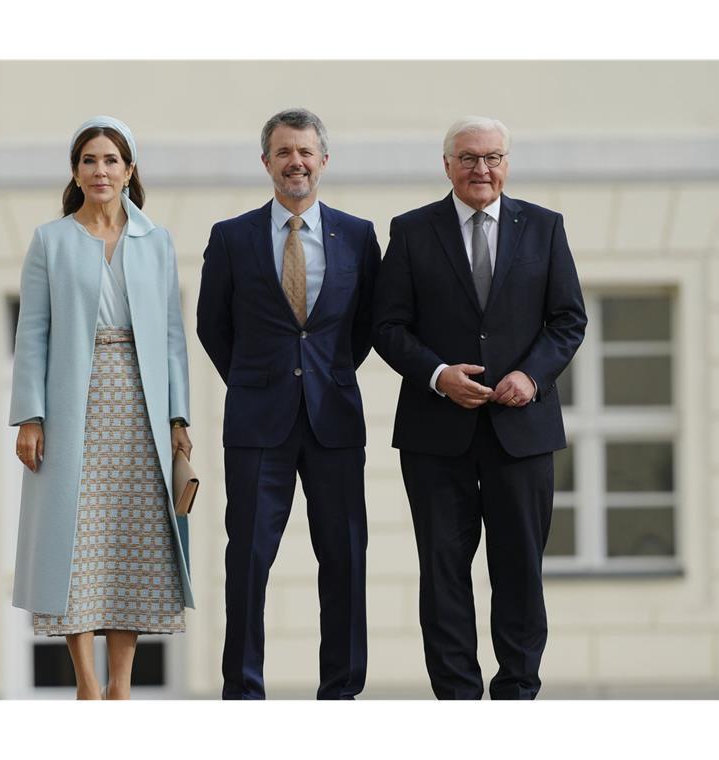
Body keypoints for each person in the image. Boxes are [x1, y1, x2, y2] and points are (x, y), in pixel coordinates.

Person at [373, 116, 587, 699]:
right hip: (436, 436)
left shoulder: (544, 228)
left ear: (507, 164)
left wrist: (532, 375)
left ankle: (517, 693)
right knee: (443, 576)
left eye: (492, 157)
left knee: (520, 571)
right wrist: (439, 375)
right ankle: (458, 701)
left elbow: (569, 319)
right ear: (447, 165)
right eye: (468, 158)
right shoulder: (413, 231)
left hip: (523, 431)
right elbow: (387, 326)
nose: (481, 169)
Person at [197, 108, 379, 699]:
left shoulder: (357, 235)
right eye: (283, 152)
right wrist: (254, 381)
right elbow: (211, 325)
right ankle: (244, 694)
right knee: (247, 562)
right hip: (257, 426)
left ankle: (341, 693)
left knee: (346, 559)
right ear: (266, 162)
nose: (295, 162)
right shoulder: (232, 237)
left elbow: (367, 325)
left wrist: (327, 375)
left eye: (305, 152)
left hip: (335, 420)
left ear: (323, 160)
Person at [9, 116, 193, 701]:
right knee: (75, 543)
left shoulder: (156, 241)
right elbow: (32, 331)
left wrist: (179, 422)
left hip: (141, 405)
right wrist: (30, 416)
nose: (101, 170)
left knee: (131, 541)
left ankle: (121, 688)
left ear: (130, 170)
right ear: (75, 172)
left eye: (111, 160)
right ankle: (87, 685)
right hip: (72, 404)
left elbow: (170, 336)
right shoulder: (51, 239)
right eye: (89, 160)